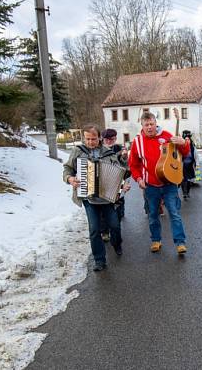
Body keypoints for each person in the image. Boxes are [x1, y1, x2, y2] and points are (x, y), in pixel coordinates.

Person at [63, 125, 130, 272]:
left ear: (99, 138)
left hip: (107, 198)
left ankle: (117, 243)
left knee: (114, 226)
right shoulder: (78, 152)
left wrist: (122, 185)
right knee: (94, 230)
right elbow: (67, 168)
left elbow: (122, 172)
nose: (90, 142)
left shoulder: (108, 153)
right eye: (87, 139)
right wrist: (70, 178)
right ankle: (99, 260)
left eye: (93, 139)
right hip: (88, 198)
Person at [128, 111, 190, 256]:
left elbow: (183, 153)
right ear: (142, 126)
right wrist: (138, 179)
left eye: (151, 124)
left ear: (156, 123)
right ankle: (156, 240)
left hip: (169, 183)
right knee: (153, 215)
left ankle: (180, 242)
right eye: (146, 125)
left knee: (174, 213)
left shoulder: (167, 135)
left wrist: (184, 143)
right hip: (150, 186)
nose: (149, 127)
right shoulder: (137, 142)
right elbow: (133, 164)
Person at [180, 130, 197, 199]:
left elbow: (196, 156)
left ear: (190, 140)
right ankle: (184, 192)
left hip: (190, 165)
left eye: (188, 139)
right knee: (183, 180)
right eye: (185, 139)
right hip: (183, 165)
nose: (187, 141)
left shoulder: (193, 148)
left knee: (189, 180)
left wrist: (197, 164)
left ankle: (188, 192)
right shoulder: (181, 147)